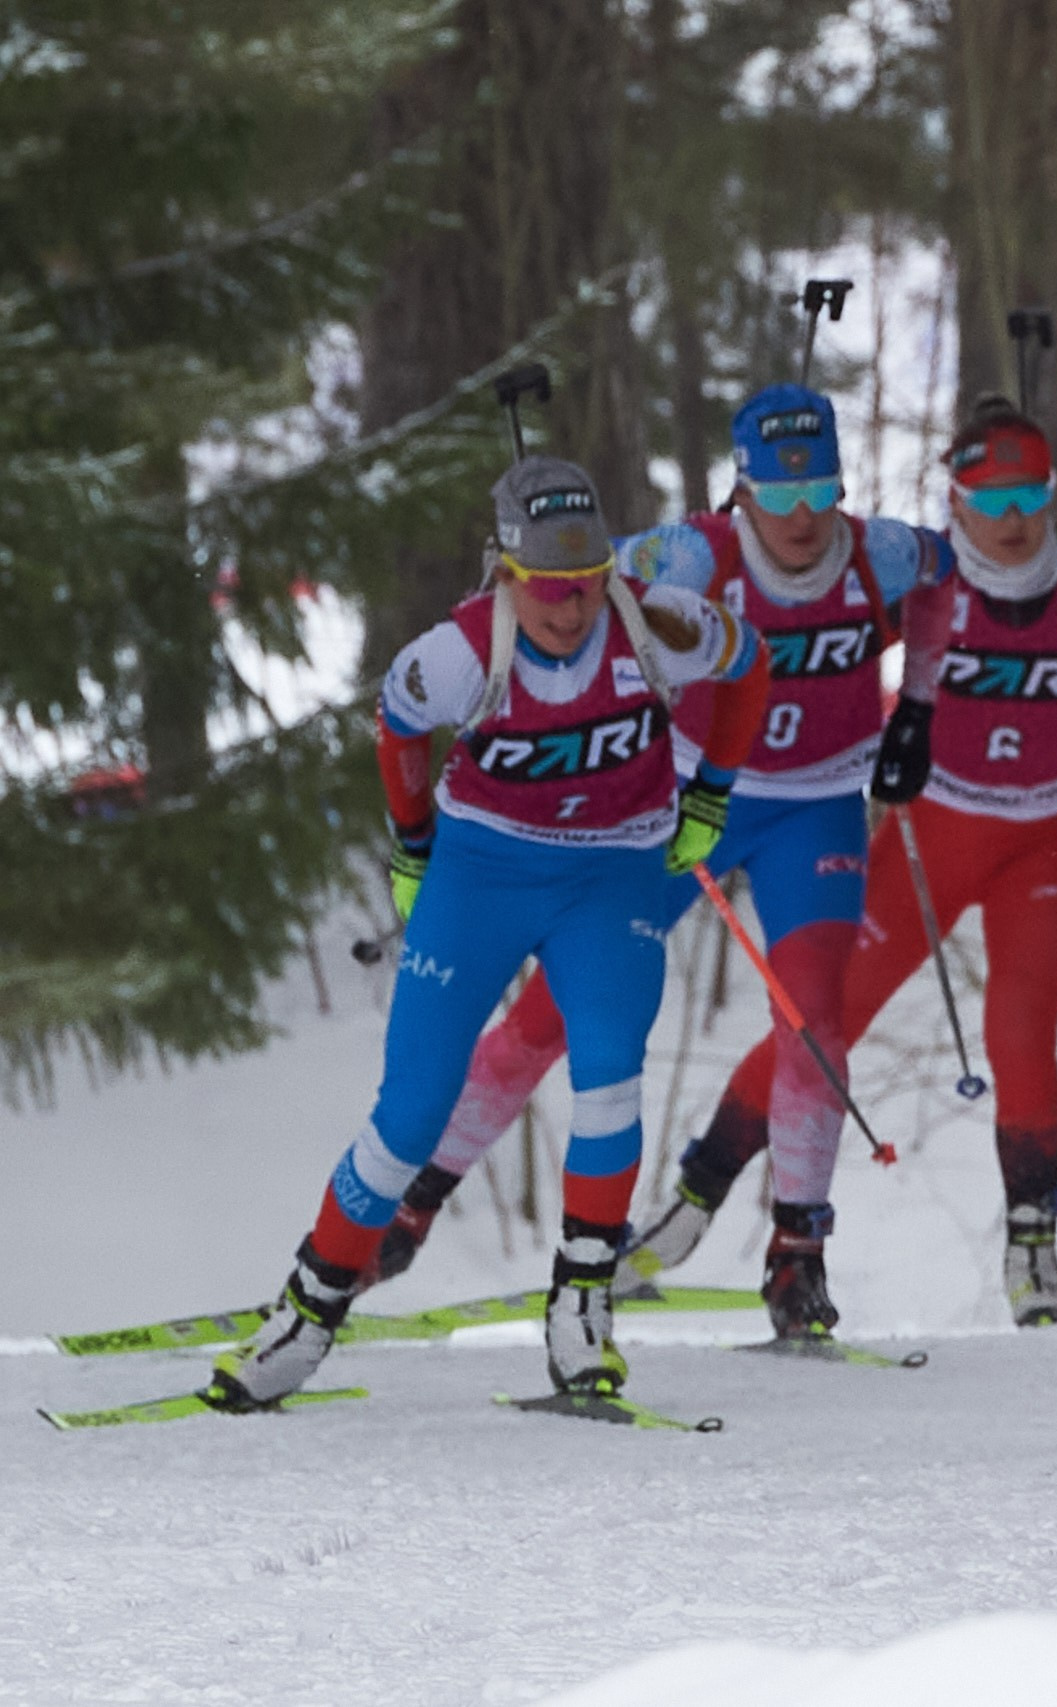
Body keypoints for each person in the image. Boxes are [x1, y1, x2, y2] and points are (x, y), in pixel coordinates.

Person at [620, 396, 1057, 1327]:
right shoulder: (924, 577)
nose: (1012, 518)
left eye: (1030, 493)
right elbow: (796, 655)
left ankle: (1033, 1252)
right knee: (819, 1021)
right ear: (954, 498)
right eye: (989, 499)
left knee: (1021, 1035)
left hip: (1048, 837)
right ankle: (695, 1198)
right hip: (932, 838)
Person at [357, 387, 947, 1343]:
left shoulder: (880, 550)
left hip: (814, 809)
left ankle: (798, 1253)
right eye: (778, 491)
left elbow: (945, 574)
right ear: (741, 488)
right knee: (544, 1018)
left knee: (813, 1023)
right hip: (672, 814)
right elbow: (564, 584)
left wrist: (918, 704)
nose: (801, 516)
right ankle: (418, 1199)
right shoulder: (686, 555)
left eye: (822, 489)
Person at [212, 456, 767, 1406]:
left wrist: (711, 793)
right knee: (413, 1109)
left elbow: (749, 663)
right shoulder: (461, 651)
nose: (571, 607)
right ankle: (308, 1310)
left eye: (588, 583)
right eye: (549, 587)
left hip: (613, 869)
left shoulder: (656, 624)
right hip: (485, 874)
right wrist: (414, 845)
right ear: (508, 571)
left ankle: (581, 1305)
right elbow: (397, 727)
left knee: (608, 1078)